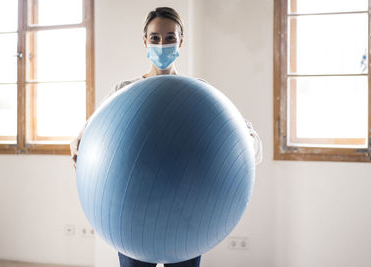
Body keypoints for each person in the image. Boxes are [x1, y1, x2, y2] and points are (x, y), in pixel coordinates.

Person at [70, 7, 262, 267]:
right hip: (130, 219)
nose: (162, 44)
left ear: (181, 41)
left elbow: (249, 139)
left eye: (170, 37)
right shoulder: (123, 92)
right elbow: (89, 132)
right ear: (145, 41)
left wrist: (239, 151)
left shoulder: (198, 94)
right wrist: (78, 142)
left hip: (189, 218)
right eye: (155, 38)